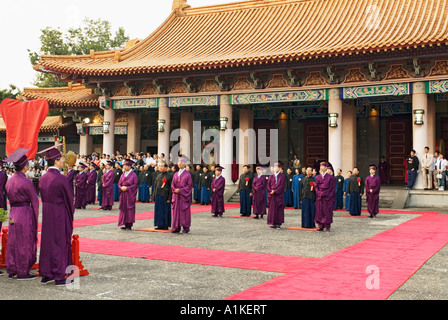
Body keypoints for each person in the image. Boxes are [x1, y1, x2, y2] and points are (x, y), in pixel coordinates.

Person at [38, 146, 75, 286]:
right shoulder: (61, 179)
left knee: (47, 242)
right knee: (59, 242)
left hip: (47, 213)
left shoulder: (43, 178)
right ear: (56, 161)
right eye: (61, 159)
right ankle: (59, 275)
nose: (63, 161)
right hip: (59, 214)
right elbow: (69, 200)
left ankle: (46, 273)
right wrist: (70, 215)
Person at [4, 149, 39, 280]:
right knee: (24, 241)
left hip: (13, 212)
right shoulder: (27, 182)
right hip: (24, 213)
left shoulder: (10, 181)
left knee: (13, 241)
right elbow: (34, 202)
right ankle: (22, 270)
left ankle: (12, 268)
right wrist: (35, 218)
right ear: (25, 167)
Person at [171, 155, 193, 234]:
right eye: (178, 162)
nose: (179, 163)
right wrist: (174, 189)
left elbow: (189, 186)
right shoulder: (175, 174)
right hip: (176, 196)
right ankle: (176, 226)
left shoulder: (188, 174)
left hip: (183, 197)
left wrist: (180, 190)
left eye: (181, 162)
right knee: (176, 212)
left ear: (184, 164)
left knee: (184, 212)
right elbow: (172, 184)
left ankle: (186, 227)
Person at [314, 162, 336, 232]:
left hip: (327, 198)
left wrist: (327, 195)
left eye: (323, 166)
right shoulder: (318, 177)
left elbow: (332, 188)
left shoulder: (331, 178)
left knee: (327, 212)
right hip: (319, 197)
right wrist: (319, 193)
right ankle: (320, 226)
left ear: (326, 168)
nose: (321, 167)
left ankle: (327, 226)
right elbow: (316, 187)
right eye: (320, 166)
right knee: (319, 211)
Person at [117, 160, 138, 231]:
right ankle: (125, 223)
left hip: (129, 194)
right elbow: (119, 183)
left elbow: (135, 185)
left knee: (129, 208)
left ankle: (129, 224)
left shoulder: (133, 175)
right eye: (123, 166)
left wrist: (127, 188)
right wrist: (121, 187)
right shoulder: (122, 175)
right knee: (124, 208)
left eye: (125, 166)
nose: (124, 167)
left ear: (129, 167)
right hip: (123, 194)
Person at [267, 161, 286, 229]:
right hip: (272, 195)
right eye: (274, 166)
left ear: (279, 168)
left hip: (278, 195)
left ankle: (278, 223)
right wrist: (270, 191)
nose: (275, 168)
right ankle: (272, 222)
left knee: (278, 209)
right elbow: (268, 185)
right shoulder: (271, 176)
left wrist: (275, 191)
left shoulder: (282, 176)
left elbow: (281, 186)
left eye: (277, 167)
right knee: (272, 209)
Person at [153, 162, 172, 230]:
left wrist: (169, 198)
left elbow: (171, 188)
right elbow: (155, 186)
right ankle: (159, 224)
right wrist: (154, 195)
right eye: (159, 166)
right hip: (158, 194)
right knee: (158, 210)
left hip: (165, 195)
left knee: (165, 210)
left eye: (162, 166)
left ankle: (165, 225)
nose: (160, 168)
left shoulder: (169, 176)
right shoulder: (158, 175)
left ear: (166, 168)